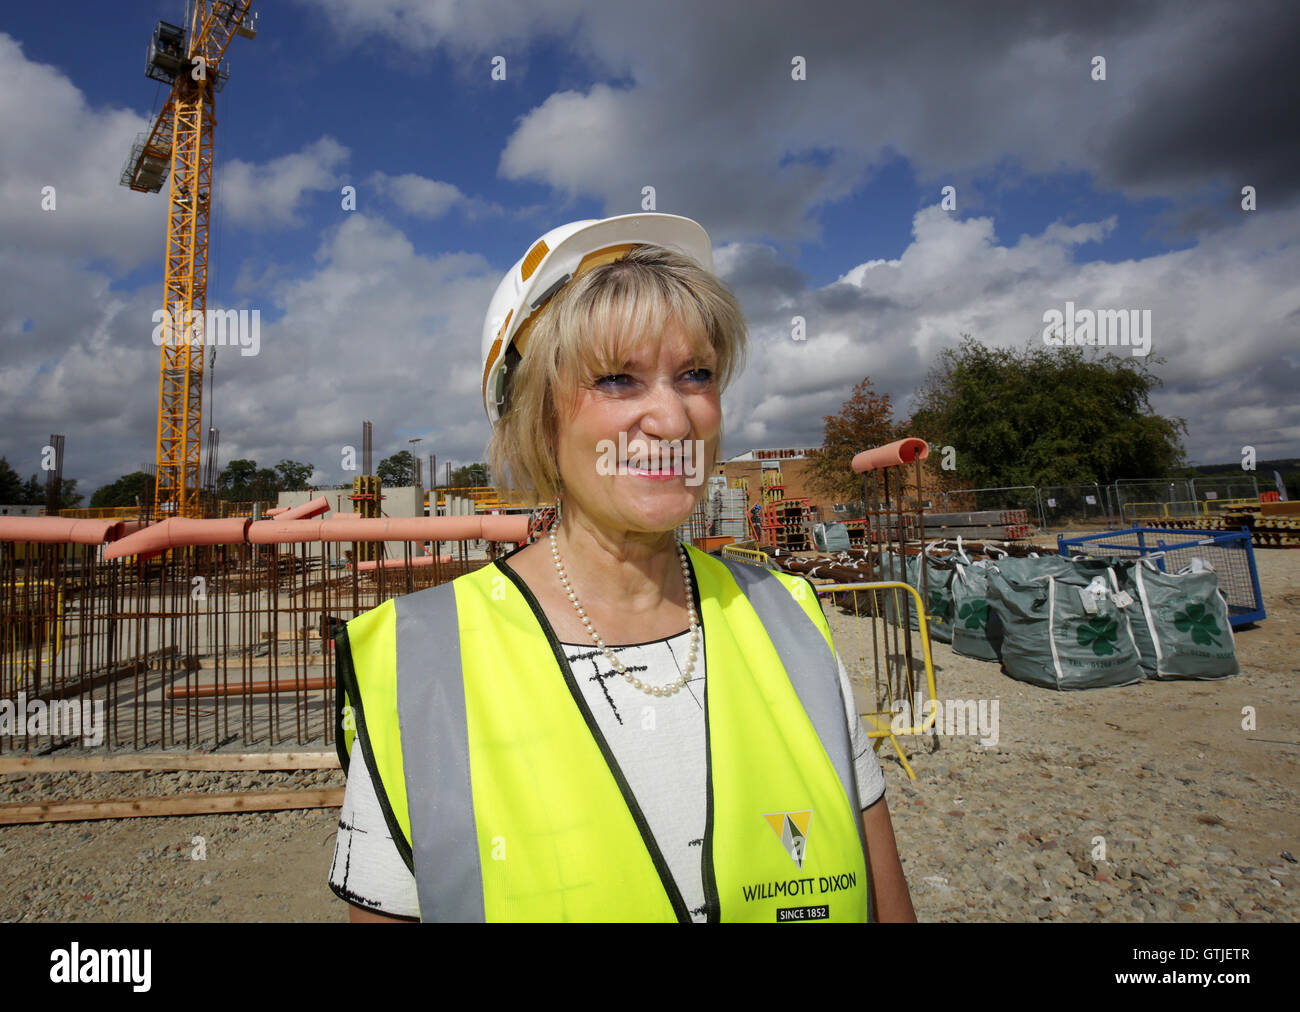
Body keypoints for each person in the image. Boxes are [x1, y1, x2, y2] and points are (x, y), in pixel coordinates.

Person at [328, 212, 915, 922]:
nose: (673, 419)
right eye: (616, 380)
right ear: (537, 417)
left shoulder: (789, 619)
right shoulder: (419, 666)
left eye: (695, 374)